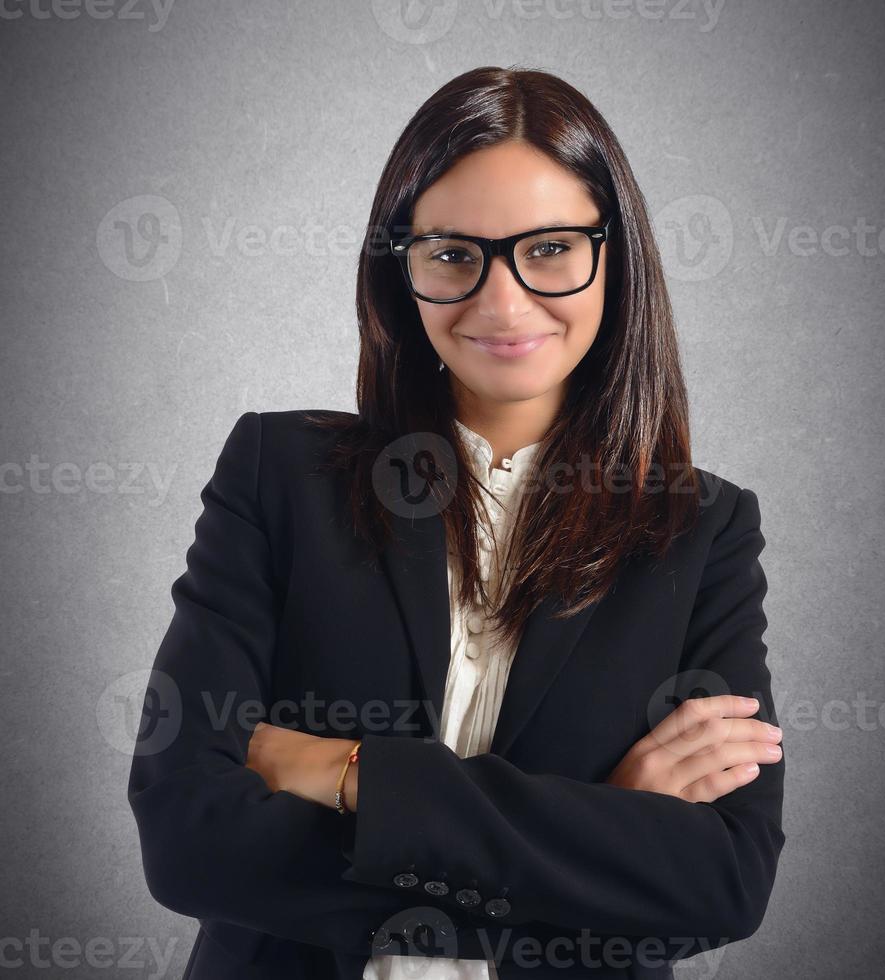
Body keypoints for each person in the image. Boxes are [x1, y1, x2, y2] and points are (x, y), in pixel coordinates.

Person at [127, 65, 786, 980]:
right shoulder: (279, 474)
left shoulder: (700, 530)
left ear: (615, 256)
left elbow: (720, 882)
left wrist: (353, 773)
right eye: (452, 254)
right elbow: (187, 837)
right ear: (401, 271)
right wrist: (601, 831)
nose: (503, 301)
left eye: (550, 247)